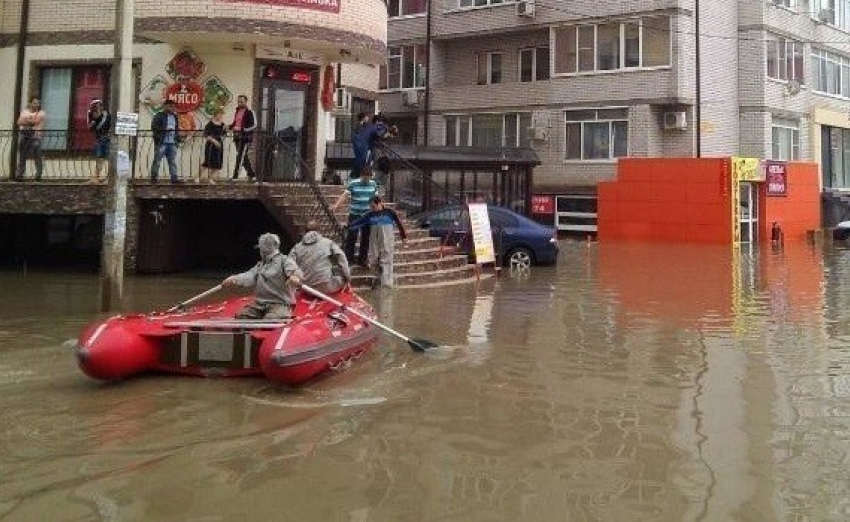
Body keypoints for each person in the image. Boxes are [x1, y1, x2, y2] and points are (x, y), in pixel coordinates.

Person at [222, 233, 303, 320]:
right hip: (260, 304)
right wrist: (234, 279)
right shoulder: (261, 264)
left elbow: (295, 272)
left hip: (280, 304)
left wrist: (294, 277)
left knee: (271, 319)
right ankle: (246, 333)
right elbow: (249, 276)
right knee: (242, 316)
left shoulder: (285, 261)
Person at [349, 196, 407, 288]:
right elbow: (359, 221)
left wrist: (403, 236)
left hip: (387, 239)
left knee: (387, 258)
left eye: (373, 206)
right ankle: (378, 278)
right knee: (374, 258)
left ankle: (387, 283)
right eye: (371, 207)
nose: (372, 208)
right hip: (374, 240)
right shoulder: (370, 215)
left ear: (379, 203)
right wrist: (349, 226)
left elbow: (399, 223)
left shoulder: (389, 212)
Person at [331, 167, 379, 266]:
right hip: (355, 215)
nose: (366, 180)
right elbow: (344, 195)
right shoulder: (353, 183)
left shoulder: (373, 184)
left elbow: (377, 199)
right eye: (365, 178)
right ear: (361, 175)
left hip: (367, 215)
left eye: (368, 178)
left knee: (366, 238)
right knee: (352, 236)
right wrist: (336, 206)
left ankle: (362, 260)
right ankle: (349, 259)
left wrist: (379, 210)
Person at [289, 219, 351, 294]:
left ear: (305, 232)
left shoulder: (296, 248)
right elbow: (341, 257)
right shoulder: (328, 243)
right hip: (327, 288)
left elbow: (288, 267)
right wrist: (348, 278)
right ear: (319, 231)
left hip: (306, 290)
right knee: (341, 276)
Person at [150, 99, 180, 183]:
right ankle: (154, 178)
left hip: (172, 143)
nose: (173, 108)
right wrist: (165, 130)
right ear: (166, 106)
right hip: (161, 142)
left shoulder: (175, 117)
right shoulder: (159, 116)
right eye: (171, 106)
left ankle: (174, 179)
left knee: (172, 161)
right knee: (157, 161)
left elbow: (176, 129)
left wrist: (177, 139)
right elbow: (154, 127)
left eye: (174, 106)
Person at [15, 97, 45, 181]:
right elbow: (19, 122)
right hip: (24, 135)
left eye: (38, 103)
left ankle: (38, 175)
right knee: (22, 156)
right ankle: (20, 175)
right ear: (30, 103)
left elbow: (35, 121)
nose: (37, 105)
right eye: (35, 103)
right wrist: (29, 120)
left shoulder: (41, 113)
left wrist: (26, 120)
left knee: (37, 155)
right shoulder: (24, 112)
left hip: (36, 136)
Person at [228, 94, 256, 181]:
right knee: (243, 157)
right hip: (237, 137)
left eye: (241, 101)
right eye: (238, 101)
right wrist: (228, 127)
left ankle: (235, 176)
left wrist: (241, 129)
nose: (240, 103)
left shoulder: (250, 112)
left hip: (245, 137)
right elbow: (235, 123)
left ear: (246, 102)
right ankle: (251, 174)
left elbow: (254, 125)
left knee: (240, 156)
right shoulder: (237, 111)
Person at [87, 99, 111, 183]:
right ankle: (96, 177)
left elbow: (111, 124)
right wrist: (93, 121)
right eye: (95, 106)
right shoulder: (91, 114)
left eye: (99, 105)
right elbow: (90, 127)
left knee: (109, 158)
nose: (97, 107)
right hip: (99, 138)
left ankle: (109, 177)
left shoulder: (106, 114)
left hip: (108, 138)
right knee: (99, 158)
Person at [200, 109, 226, 183]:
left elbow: (223, 135)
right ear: (216, 114)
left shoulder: (222, 124)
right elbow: (206, 135)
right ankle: (198, 176)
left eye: (222, 115)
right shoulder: (210, 124)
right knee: (207, 162)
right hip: (211, 145)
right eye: (220, 114)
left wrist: (225, 130)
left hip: (219, 145)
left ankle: (210, 178)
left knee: (217, 163)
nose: (221, 116)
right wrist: (214, 141)